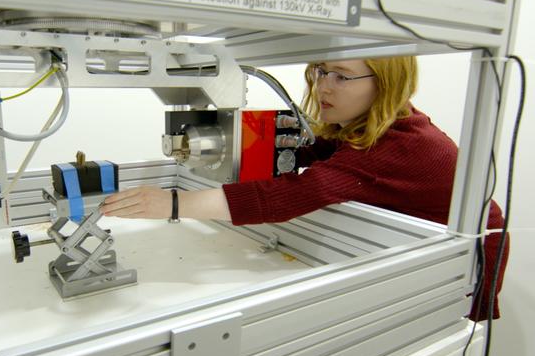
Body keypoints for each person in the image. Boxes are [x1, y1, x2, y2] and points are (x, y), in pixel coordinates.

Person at [101, 56, 508, 321]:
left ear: (385, 83)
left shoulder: (402, 143)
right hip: (414, 239)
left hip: (470, 249)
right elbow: (311, 151)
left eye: (341, 77)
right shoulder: (371, 126)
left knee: (451, 339)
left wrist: (173, 203)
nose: (323, 87)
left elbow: (289, 196)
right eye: (319, 71)